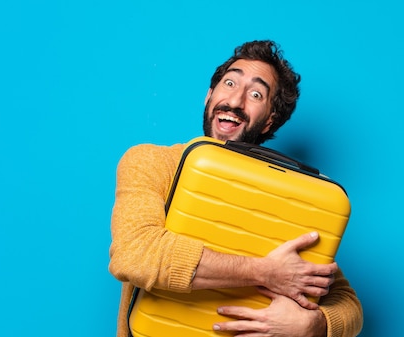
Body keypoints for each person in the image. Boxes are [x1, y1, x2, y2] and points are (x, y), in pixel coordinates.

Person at [109, 40, 363, 337]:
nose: (235, 101)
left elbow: (348, 304)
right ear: (209, 96)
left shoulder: (293, 196)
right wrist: (266, 272)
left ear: (269, 121)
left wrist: (315, 325)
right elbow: (135, 253)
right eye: (229, 83)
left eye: (256, 94)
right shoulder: (152, 162)